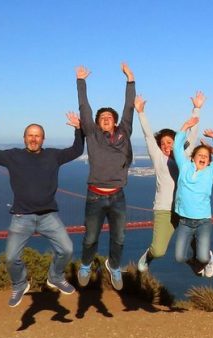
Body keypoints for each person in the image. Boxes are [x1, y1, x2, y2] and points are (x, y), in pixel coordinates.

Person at [0, 109, 84, 307]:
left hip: (48, 215)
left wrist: (79, 129)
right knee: (10, 258)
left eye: (37, 136)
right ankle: (19, 284)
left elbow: (77, 150)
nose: (33, 139)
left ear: (43, 139)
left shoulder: (54, 155)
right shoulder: (12, 156)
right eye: (30, 135)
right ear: (24, 138)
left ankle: (55, 277)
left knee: (67, 250)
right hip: (21, 217)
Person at [75, 63, 135, 291]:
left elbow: (129, 107)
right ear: (97, 123)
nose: (106, 118)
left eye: (110, 116)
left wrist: (130, 80)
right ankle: (86, 264)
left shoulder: (124, 133)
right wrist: (81, 82)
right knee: (90, 238)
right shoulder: (92, 134)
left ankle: (115, 266)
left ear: (116, 122)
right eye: (103, 117)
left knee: (119, 238)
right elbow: (84, 108)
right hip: (95, 196)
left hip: (118, 196)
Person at [134, 92, 204, 272]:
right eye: (163, 143)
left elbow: (192, 134)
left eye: (170, 142)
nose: (166, 146)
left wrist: (196, 109)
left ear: (176, 142)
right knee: (159, 251)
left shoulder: (185, 155)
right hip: (164, 209)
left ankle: (204, 260)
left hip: (185, 207)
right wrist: (141, 113)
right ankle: (149, 255)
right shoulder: (158, 158)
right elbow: (149, 136)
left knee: (198, 241)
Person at [173, 117, 213, 277]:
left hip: (203, 221)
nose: (203, 157)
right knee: (179, 257)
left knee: (202, 256)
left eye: (206, 156)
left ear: (209, 161)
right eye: (200, 154)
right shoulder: (184, 167)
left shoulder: (210, 172)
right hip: (184, 221)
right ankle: (195, 264)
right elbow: (176, 147)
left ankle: (207, 259)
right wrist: (185, 126)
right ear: (192, 157)